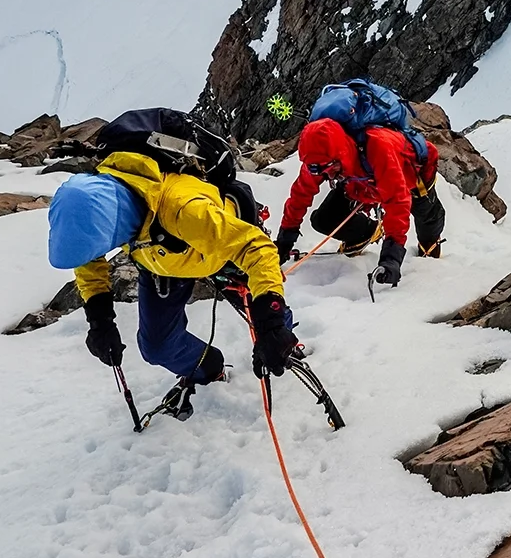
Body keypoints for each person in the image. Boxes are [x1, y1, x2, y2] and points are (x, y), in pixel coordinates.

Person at [47, 147, 299, 382]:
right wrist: (99, 318)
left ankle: (285, 347)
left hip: (223, 251)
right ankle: (210, 370)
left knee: (267, 311)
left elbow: (256, 249)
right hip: (162, 261)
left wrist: (272, 323)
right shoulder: (100, 203)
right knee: (158, 347)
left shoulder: (182, 208)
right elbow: (88, 255)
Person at [273, 116, 444, 287]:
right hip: (359, 179)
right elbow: (300, 195)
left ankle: (429, 244)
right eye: (323, 171)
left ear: (340, 153)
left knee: (426, 214)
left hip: (412, 172)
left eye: (331, 168)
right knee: (324, 219)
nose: (329, 175)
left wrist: (391, 257)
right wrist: (284, 240)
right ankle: (367, 232)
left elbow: (397, 204)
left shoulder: (379, 147)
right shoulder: (320, 160)